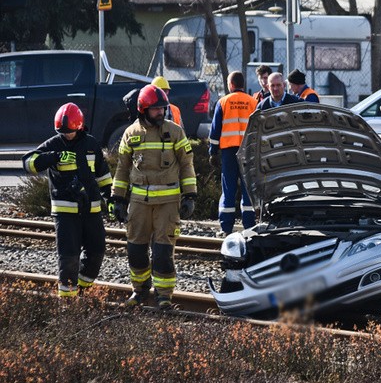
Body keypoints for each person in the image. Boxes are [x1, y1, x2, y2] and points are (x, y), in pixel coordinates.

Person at [109, 84, 197, 308]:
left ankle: (164, 296)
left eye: (163, 108)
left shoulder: (175, 131)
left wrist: (190, 196)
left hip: (168, 203)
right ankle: (139, 292)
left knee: (162, 253)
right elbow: (122, 169)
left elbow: (187, 165)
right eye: (156, 109)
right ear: (143, 109)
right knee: (135, 250)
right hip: (139, 204)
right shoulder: (131, 133)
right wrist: (117, 199)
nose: (161, 112)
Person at [22, 103, 113, 297]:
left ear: (79, 127)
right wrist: (53, 157)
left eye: (70, 131)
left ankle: (81, 291)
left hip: (91, 210)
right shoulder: (54, 143)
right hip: (65, 213)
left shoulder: (91, 144)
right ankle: (68, 307)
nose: (67, 135)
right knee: (69, 260)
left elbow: (103, 175)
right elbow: (28, 163)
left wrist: (110, 198)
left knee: (96, 253)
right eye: (63, 132)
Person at [208, 71, 258, 235]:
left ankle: (226, 228)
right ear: (243, 84)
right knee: (248, 191)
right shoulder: (253, 102)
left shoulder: (223, 102)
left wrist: (212, 152)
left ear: (230, 85)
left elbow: (215, 130)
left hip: (229, 152)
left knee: (228, 190)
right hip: (248, 151)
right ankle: (249, 228)